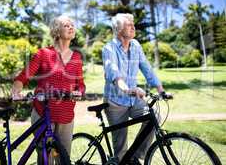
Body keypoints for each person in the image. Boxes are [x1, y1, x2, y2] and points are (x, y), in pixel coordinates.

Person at [11, 15, 85, 163]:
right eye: (66, 25)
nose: (71, 27)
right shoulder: (43, 54)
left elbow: (80, 84)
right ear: (57, 31)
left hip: (66, 114)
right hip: (43, 112)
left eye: (72, 25)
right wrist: (16, 91)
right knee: (46, 158)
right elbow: (24, 76)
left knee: (64, 158)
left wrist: (79, 92)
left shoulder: (76, 57)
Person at [102, 13, 165, 164]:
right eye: (128, 24)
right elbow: (114, 73)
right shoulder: (109, 48)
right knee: (120, 147)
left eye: (133, 23)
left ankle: (136, 156)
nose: (133, 26)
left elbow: (147, 68)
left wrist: (161, 89)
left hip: (133, 100)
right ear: (118, 29)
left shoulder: (136, 45)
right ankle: (123, 160)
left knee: (153, 116)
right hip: (115, 101)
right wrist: (127, 89)